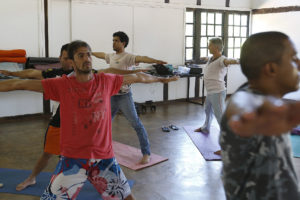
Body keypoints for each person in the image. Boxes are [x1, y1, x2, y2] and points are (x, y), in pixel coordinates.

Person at [0, 40, 178, 200]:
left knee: (127, 198)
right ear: (72, 61)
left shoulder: (105, 81)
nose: (86, 58)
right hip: (73, 160)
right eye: (80, 55)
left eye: (88, 54)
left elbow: (139, 77)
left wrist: (162, 79)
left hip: (104, 158)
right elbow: (18, 83)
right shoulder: (62, 85)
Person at [220, 31, 300, 199]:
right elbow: (242, 103)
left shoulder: (271, 102)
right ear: (271, 68)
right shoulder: (247, 99)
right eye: (293, 58)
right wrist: (248, 114)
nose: (298, 64)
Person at [0, 43, 74, 191]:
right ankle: (31, 178)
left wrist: (134, 75)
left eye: (72, 58)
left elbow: (110, 72)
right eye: (66, 58)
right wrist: (10, 72)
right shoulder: (55, 74)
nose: (69, 61)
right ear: (60, 58)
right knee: (47, 153)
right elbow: (29, 76)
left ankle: (90, 181)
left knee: (81, 157)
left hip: (81, 124)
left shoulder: (87, 73)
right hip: (59, 120)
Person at [93, 31, 167, 164]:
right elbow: (101, 55)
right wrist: (90, 52)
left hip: (124, 97)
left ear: (123, 43)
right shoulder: (111, 56)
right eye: (113, 40)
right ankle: (100, 149)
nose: (113, 42)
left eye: (116, 40)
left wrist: (155, 61)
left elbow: (142, 58)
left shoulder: (128, 57)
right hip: (111, 95)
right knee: (104, 123)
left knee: (136, 124)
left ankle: (146, 153)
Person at [194, 37, 238, 155]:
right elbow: (210, 59)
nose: (208, 47)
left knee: (221, 118)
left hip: (217, 92)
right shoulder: (212, 58)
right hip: (210, 91)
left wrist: (237, 61)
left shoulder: (222, 60)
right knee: (207, 110)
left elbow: (228, 61)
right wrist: (205, 58)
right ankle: (206, 127)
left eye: (210, 45)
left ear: (216, 47)